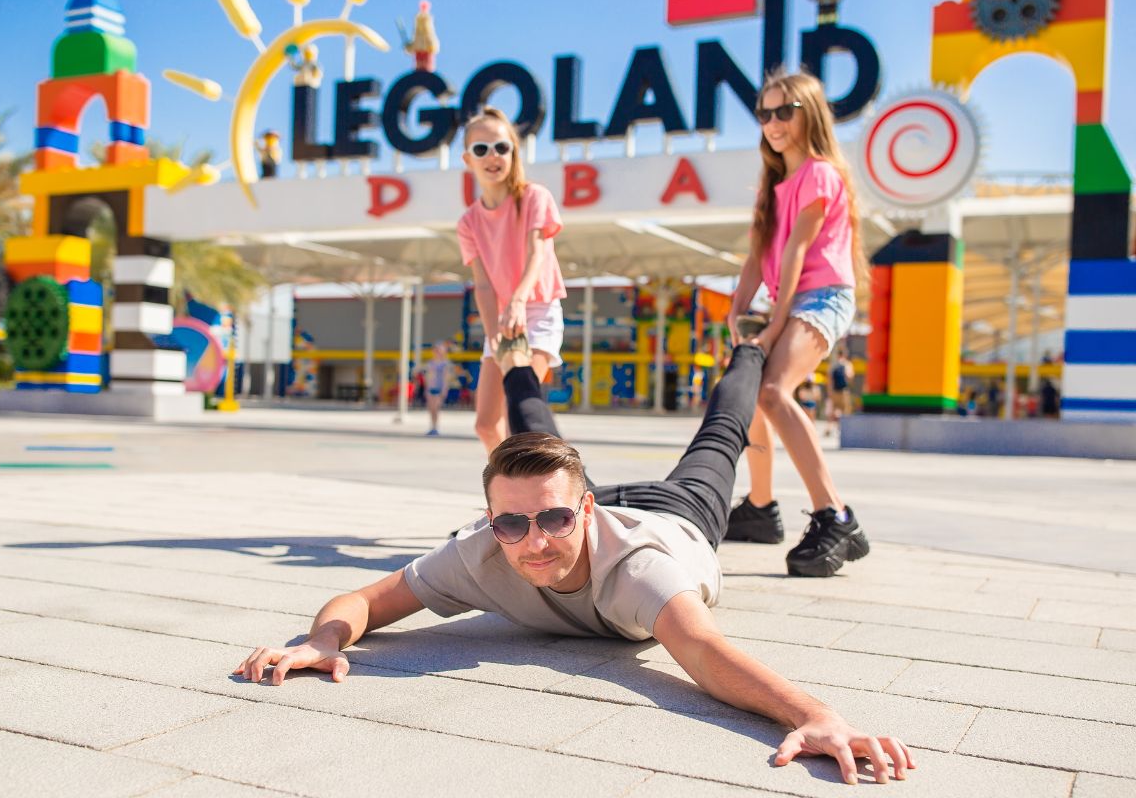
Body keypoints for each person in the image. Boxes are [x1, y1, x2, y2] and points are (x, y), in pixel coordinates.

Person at [235, 330, 915, 786]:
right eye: (511, 523)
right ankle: (517, 355)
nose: (533, 542)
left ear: (584, 509)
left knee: (720, 438)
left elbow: (703, 653)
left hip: (675, 511)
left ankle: (744, 343)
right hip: (588, 499)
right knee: (535, 438)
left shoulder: (640, 569)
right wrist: (323, 641)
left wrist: (814, 715)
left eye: (554, 519)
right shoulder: (484, 549)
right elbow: (368, 600)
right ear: (491, 519)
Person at [723, 70, 870, 578]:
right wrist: (735, 308)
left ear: (810, 113)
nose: (774, 123)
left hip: (823, 294)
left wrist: (773, 323)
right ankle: (761, 509)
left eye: (785, 111)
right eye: (765, 113)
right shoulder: (775, 185)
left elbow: (795, 253)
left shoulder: (821, 174)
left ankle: (837, 517)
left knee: (773, 392)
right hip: (784, 298)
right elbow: (756, 256)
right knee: (751, 391)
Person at [458, 106, 567, 453]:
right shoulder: (469, 222)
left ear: (513, 152)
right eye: (481, 149)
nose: (493, 156)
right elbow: (485, 286)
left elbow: (538, 253)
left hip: (535, 308)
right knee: (487, 424)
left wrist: (519, 300)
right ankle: (509, 492)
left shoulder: (534, 197)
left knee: (521, 406)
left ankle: (552, 485)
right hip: (502, 319)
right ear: (467, 159)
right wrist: (494, 340)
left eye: (502, 147)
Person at [423, 341, 452, 436]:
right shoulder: (430, 363)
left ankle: (435, 427)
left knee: (435, 408)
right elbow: (428, 376)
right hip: (431, 388)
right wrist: (426, 389)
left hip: (439, 388)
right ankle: (432, 427)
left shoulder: (444, 364)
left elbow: (446, 377)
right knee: (431, 408)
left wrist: (444, 389)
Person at [825, 347, 853, 436]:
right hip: (844, 391)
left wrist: (829, 391)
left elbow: (829, 379)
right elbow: (850, 377)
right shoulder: (847, 364)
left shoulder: (833, 365)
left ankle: (829, 428)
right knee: (845, 411)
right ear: (845, 355)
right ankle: (844, 429)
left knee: (832, 410)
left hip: (834, 391)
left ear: (838, 355)